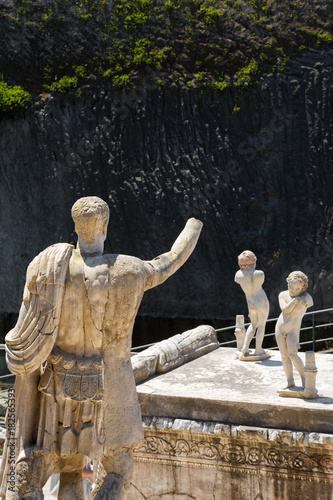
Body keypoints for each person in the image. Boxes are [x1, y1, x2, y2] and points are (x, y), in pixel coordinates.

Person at [0, 196, 203, 500]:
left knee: (68, 468)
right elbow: (170, 260)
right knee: (119, 468)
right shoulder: (128, 271)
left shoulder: (46, 268)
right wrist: (194, 226)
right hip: (106, 384)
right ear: (105, 224)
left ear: (76, 226)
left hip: (56, 383)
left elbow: (23, 335)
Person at [275, 271, 313, 389]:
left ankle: (304, 378)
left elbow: (309, 303)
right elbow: (285, 310)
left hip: (293, 330)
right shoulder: (283, 295)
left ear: (303, 288)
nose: (292, 289)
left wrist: (298, 299)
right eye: (290, 286)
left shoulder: (307, 298)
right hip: (280, 328)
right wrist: (295, 300)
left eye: (296, 288)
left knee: (292, 354)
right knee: (284, 356)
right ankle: (290, 381)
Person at [234, 250, 269, 357]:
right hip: (261, 300)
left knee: (253, 325)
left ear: (240, 263)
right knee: (261, 326)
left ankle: (245, 347)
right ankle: (258, 349)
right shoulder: (259, 274)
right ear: (254, 261)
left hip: (250, 302)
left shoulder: (238, 275)